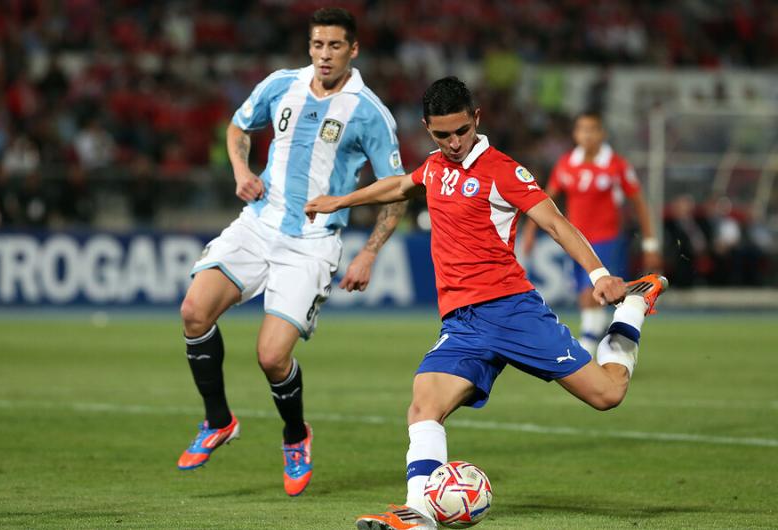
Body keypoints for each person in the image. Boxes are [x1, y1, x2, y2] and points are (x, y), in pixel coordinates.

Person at [305, 77, 668, 529]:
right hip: (462, 324)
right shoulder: (435, 167)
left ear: (476, 118)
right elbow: (399, 185)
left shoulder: (503, 171)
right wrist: (341, 201)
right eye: (443, 134)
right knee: (424, 406)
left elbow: (555, 222)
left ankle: (632, 308)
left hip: (512, 310)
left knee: (608, 394)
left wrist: (600, 275)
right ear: (427, 129)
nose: (454, 143)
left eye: (462, 130)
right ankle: (418, 512)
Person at [176, 7, 407, 498]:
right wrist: (241, 172)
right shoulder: (281, 84)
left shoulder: (369, 111)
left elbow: (396, 189)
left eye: (335, 46)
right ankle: (218, 420)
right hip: (258, 223)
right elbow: (238, 128)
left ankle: (296, 435)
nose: (325, 55)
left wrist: (369, 253)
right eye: (318, 45)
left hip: (311, 242)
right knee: (194, 311)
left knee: (271, 356)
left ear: (353, 50)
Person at [521, 111, 662, 355]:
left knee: (590, 294)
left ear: (602, 133)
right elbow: (544, 200)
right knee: (584, 296)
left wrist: (650, 244)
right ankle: (605, 335)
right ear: (575, 134)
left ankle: (586, 350)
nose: (587, 135)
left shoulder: (616, 165)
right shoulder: (566, 164)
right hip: (575, 242)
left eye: (592, 129)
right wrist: (531, 231)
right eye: (582, 129)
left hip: (607, 240)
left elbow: (639, 204)